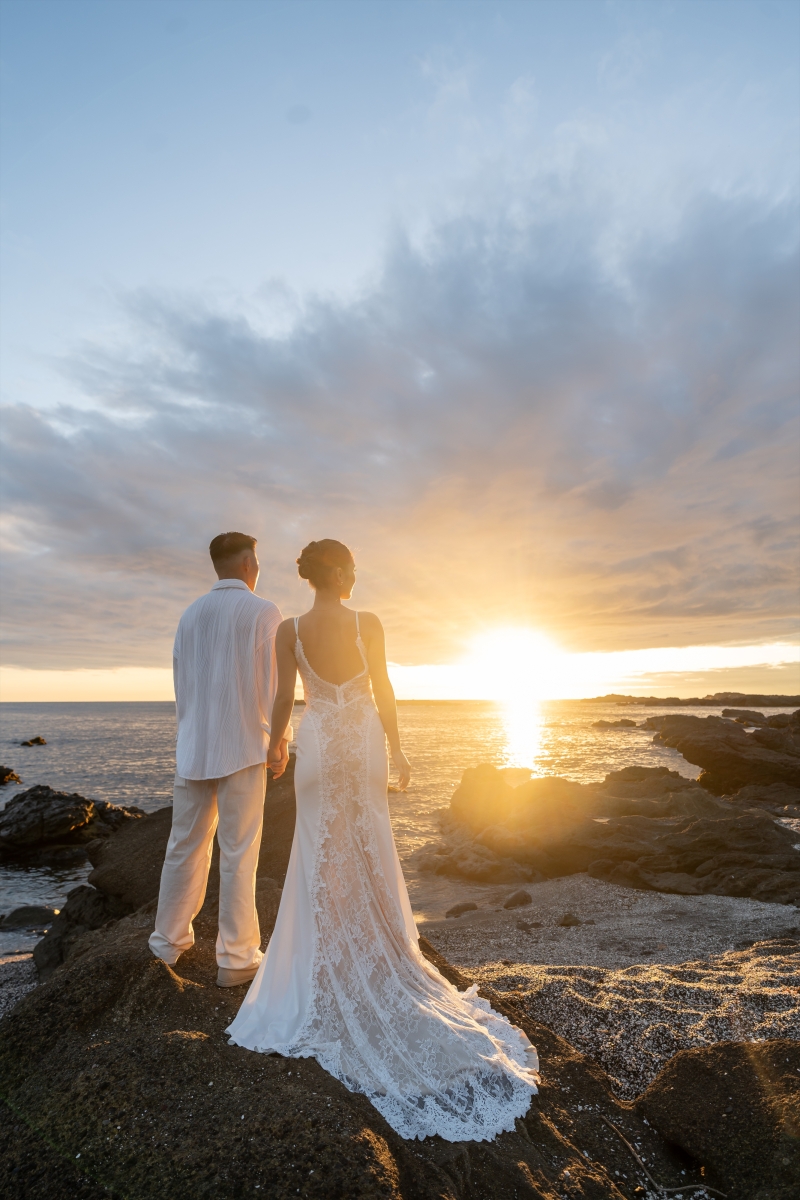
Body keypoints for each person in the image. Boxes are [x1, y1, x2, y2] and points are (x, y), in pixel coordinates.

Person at [227, 539, 538, 1141]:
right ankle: (375, 952)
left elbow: (282, 699)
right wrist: (397, 750)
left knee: (318, 855)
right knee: (368, 846)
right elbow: (386, 690)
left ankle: (323, 959)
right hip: (361, 742)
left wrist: (275, 744)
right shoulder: (367, 622)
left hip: (318, 744)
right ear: (342, 574)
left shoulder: (289, 628)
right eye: (352, 569)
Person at [149, 532, 290, 987]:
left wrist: (189, 732)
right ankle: (235, 959)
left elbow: (180, 683)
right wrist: (280, 739)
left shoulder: (190, 614)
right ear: (249, 561)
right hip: (244, 746)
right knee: (238, 853)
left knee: (182, 848)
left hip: (194, 746)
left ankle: (166, 945)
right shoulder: (262, 610)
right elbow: (272, 683)